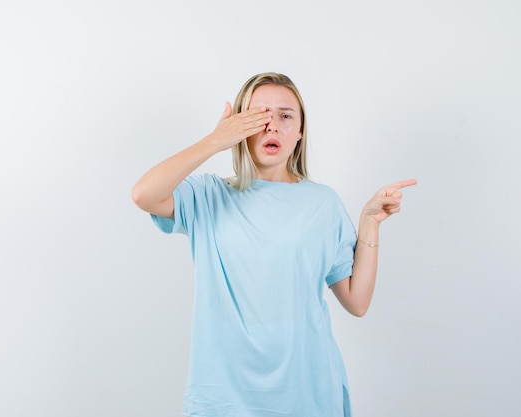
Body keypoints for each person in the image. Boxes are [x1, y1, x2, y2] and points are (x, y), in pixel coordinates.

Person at [131, 72, 416, 417]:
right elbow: (144, 195)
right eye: (258, 115)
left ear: (299, 132)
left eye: (285, 116)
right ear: (239, 127)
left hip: (308, 394)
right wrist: (214, 141)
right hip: (222, 398)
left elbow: (357, 301)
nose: (272, 126)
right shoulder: (208, 196)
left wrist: (370, 223)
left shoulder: (323, 204)